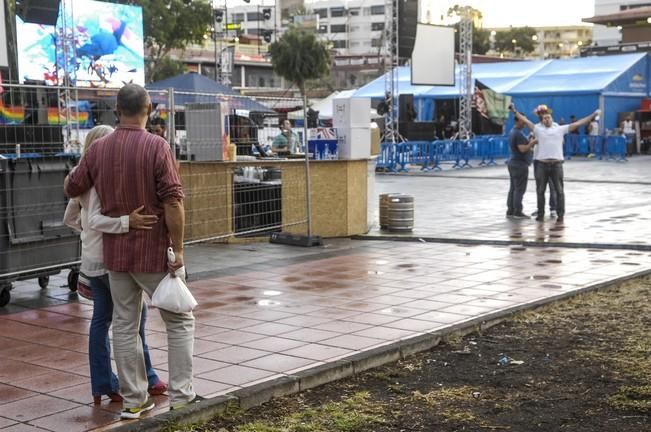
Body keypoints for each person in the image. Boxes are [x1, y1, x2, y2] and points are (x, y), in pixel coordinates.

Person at [65, 84, 197, 419]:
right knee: (179, 319)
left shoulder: (98, 150)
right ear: (149, 108)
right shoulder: (157, 146)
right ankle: (182, 395)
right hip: (153, 251)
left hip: (116, 257)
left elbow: (72, 186)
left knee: (123, 325)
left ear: (116, 110)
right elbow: (173, 201)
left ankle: (134, 400)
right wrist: (178, 250)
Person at [63, 125, 167, 406]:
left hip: (92, 259)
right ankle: (146, 378)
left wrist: (87, 235)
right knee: (134, 318)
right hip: (109, 258)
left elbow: (71, 217)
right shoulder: (99, 178)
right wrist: (125, 223)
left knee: (102, 320)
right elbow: (95, 219)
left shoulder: (82, 176)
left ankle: (103, 383)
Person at [510, 103, 599, 224]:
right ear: (542, 119)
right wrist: (514, 111)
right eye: (544, 117)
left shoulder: (559, 128)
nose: (547, 119)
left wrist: (593, 115)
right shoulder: (537, 129)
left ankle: (560, 214)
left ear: (552, 118)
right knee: (540, 191)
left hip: (556, 164)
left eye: (549, 117)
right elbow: (524, 119)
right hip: (541, 164)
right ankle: (540, 214)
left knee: (559, 191)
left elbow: (579, 123)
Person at [506, 115, 536, 219]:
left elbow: (522, 143)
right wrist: (533, 142)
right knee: (519, 189)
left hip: (513, 163)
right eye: (523, 121)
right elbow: (522, 149)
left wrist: (529, 139)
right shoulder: (518, 133)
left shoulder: (513, 132)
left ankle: (510, 210)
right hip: (519, 164)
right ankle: (518, 211)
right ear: (517, 121)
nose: (525, 123)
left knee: (513, 188)